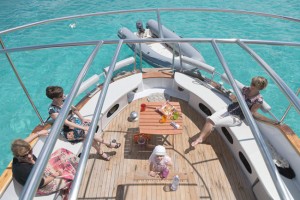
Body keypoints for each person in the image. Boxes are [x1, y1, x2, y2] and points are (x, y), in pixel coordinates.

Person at [46, 86, 121, 161]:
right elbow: (66, 122)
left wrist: (82, 118)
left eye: (62, 93)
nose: (63, 95)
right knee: (88, 133)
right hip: (66, 130)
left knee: (88, 135)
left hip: (74, 122)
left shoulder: (64, 100)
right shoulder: (52, 111)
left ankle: (101, 152)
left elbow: (74, 109)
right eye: (60, 96)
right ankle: (108, 144)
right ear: (54, 98)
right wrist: (83, 127)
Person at [192, 76, 268, 146]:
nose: (251, 85)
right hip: (229, 108)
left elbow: (250, 113)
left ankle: (201, 138)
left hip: (236, 117)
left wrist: (243, 105)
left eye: (254, 85)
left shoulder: (258, 100)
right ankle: (201, 138)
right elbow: (236, 100)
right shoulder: (245, 89)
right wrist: (235, 99)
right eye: (252, 83)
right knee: (210, 119)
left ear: (259, 88)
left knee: (213, 123)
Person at [11, 130, 78, 199]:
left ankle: (78, 166)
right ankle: (69, 194)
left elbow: (23, 143)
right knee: (68, 177)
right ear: (17, 156)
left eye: (30, 151)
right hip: (41, 186)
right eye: (24, 156)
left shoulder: (19, 153)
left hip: (40, 170)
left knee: (62, 151)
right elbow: (41, 183)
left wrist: (38, 133)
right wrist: (56, 174)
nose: (29, 156)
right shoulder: (24, 170)